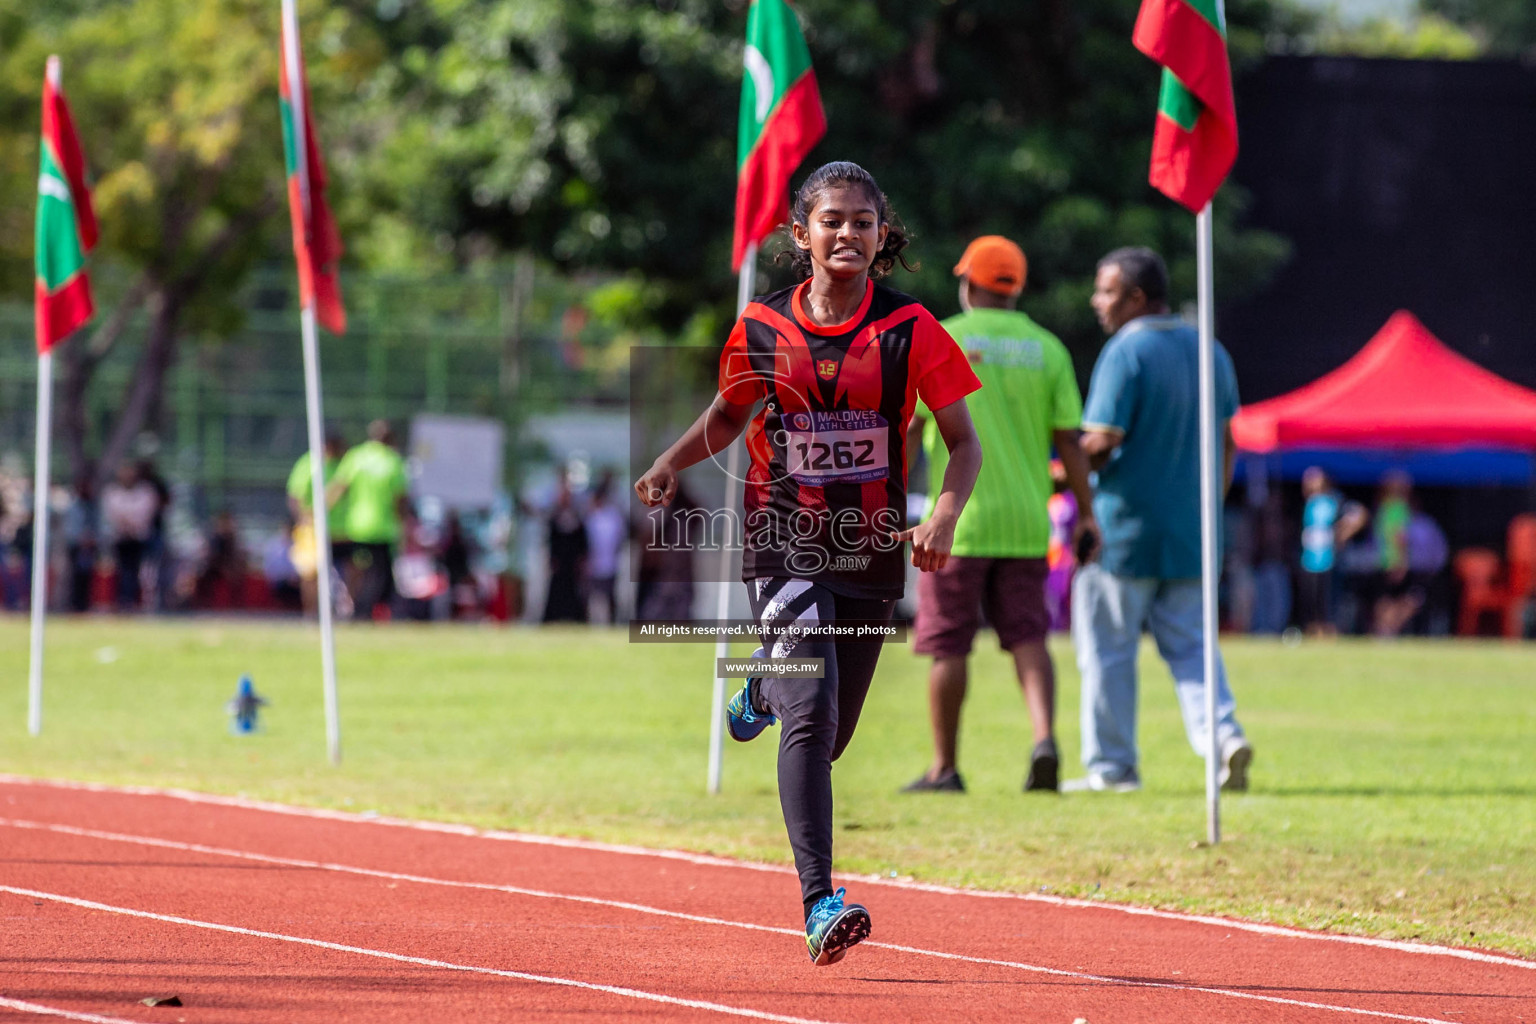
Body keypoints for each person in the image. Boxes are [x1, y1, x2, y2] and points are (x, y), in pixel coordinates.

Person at [636, 162, 981, 965]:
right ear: (802, 234)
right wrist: (669, 461)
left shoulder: (911, 331)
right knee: (813, 711)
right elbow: (730, 411)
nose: (848, 234)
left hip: (869, 555)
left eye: (864, 221)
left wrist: (945, 514)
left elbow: (963, 443)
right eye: (832, 220)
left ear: (881, 234)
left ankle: (762, 683)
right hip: (780, 541)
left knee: (830, 736)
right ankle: (820, 901)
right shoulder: (760, 326)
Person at [901, 235, 1097, 795]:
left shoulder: (944, 339)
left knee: (947, 644)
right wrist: (1086, 514)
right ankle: (1044, 740)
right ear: (1016, 288)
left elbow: (911, 430)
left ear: (967, 284)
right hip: (1027, 523)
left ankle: (944, 768)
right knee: (1029, 636)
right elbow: (1072, 443)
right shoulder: (1049, 349)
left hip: (956, 522)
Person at [1068, 246, 1252, 793]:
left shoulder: (1126, 350)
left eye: (1106, 291)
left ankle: (1113, 769)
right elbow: (1227, 443)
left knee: (1107, 651)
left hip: (1124, 533)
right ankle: (1224, 739)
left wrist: (1065, 471)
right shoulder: (1210, 348)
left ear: (1137, 298)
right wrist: (1209, 513)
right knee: (1196, 651)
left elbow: (1102, 441)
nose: (1096, 301)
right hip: (1193, 534)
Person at [328, 420, 410, 620]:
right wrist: (404, 526)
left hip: (357, 526)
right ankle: (365, 611)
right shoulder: (393, 461)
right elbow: (399, 500)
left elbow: (337, 489)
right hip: (383, 528)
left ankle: (356, 609)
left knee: (358, 572)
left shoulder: (356, 457)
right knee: (380, 575)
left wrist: (319, 512)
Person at [287, 432, 349, 617]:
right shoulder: (309, 464)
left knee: (351, 568)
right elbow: (295, 496)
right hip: (313, 529)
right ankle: (312, 613)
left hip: (341, 530)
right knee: (310, 574)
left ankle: (345, 611)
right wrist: (303, 518)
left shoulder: (343, 466)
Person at [101, 462, 159, 611]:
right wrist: (124, 523)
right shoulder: (113, 492)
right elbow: (111, 514)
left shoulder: (145, 492)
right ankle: (123, 601)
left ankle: (141, 602)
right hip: (120, 538)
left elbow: (145, 513)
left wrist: (132, 523)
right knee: (121, 570)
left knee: (142, 571)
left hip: (139, 537)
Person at [541, 477, 589, 623]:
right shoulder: (555, 518)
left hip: (572, 562)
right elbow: (551, 540)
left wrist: (582, 559)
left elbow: (583, 541)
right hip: (559, 561)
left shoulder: (577, 519)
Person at [584, 471, 628, 624]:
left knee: (609, 596)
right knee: (590, 596)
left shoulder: (613, 516)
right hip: (593, 563)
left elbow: (620, 539)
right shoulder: (591, 516)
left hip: (609, 562)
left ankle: (612, 622)